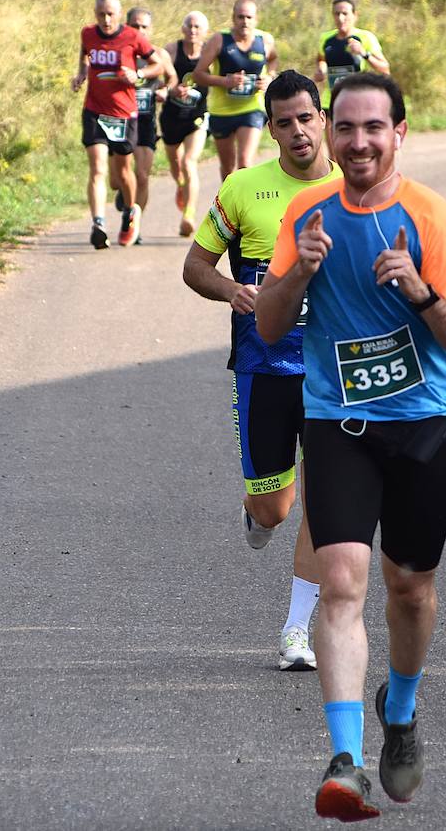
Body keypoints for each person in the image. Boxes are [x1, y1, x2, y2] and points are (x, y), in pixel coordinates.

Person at [255, 73, 446, 821]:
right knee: (344, 585)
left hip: (423, 429)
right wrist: (302, 274)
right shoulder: (307, 212)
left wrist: (421, 293)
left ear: (399, 133)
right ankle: (346, 762)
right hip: (338, 427)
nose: (357, 142)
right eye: (345, 128)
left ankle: (404, 709)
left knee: (409, 590)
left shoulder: (430, 216)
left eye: (373, 128)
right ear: (331, 131)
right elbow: (267, 324)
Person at [181, 70, 341, 671]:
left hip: (334, 374)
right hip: (264, 364)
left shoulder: (355, 188)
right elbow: (195, 265)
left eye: (306, 117)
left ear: (322, 118)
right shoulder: (244, 189)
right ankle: (258, 509)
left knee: (325, 499)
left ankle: (296, 630)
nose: (298, 131)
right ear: (268, 129)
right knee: (275, 507)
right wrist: (230, 291)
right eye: (284, 122)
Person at [71, 0, 166, 249]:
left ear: (119, 15)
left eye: (110, 14)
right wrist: (81, 74)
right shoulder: (88, 34)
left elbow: (157, 65)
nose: (106, 19)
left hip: (123, 113)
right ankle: (98, 225)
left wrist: (138, 74)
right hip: (94, 110)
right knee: (98, 168)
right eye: (101, 14)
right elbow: (84, 53)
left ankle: (130, 211)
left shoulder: (132, 37)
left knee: (123, 173)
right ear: (95, 14)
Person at [193, 0, 278, 182]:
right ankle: (230, 206)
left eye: (249, 17)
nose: (245, 21)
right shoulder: (219, 40)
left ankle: (247, 206)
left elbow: (273, 59)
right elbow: (198, 74)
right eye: (240, 17)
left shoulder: (265, 40)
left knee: (245, 163)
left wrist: (269, 78)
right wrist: (225, 82)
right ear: (233, 18)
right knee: (228, 168)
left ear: (256, 19)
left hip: (251, 108)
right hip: (221, 111)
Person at [118, 6, 176, 244]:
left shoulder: (159, 54)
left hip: (146, 122)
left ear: (150, 29)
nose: (139, 30)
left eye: (144, 26)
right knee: (117, 179)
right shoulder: (120, 52)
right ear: (127, 25)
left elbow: (172, 77)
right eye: (134, 25)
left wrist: (165, 90)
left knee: (142, 175)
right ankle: (124, 192)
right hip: (120, 120)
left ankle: (134, 225)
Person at [159, 11, 211, 237]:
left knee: (190, 162)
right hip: (171, 117)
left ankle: (188, 216)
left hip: (196, 118)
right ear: (182, 29)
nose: (193, 30)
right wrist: (172, 89)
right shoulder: (172, 50)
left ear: (204, 31)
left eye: (197, 27)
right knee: (176, 166)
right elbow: (159, 76)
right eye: (189, 26)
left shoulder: (211, 52)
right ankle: (181, 185)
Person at [313, 0, 389, 109]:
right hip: (331, 100)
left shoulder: (366, 37)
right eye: (337, 14)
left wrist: (364, 53)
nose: (340, 18)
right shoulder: (326, 38)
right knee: (330, 127)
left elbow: (385, 69)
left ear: (355, 15)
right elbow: (321, 59)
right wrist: (321, 70)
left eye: (345, 13)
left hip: (358, 99)